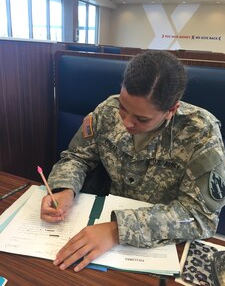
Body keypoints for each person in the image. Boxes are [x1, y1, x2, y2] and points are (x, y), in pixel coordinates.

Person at [41, 50, 225, 272]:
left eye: (142, 119)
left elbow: (200, 217)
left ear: (172, 110)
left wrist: (117, 230)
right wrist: (65, 189)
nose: (126, 122)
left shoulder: (200, 133)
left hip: (160, 245)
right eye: (123, 107)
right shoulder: (107, 110)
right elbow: (77, 156)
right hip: (98, 225)